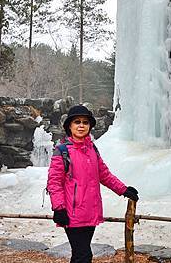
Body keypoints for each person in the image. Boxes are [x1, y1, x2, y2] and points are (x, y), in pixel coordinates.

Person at [47, 105, 139, 263]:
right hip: (72, 213)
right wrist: (59, 208)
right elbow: (54, 182)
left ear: (89, 126)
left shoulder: (92, 149)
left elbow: (104, 174)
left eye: (85, 122)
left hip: (90, 211)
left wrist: (123, 189)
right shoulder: (62, 151)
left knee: (80, 255)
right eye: (77, 122)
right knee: (83, 256)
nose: (81, 125)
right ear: (69, 126)